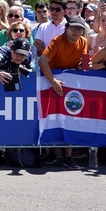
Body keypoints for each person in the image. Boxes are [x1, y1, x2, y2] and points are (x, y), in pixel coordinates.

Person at [38, 15, 90, 169]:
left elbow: (84, 65)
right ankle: (52, 154)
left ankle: (68, 157)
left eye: (79, 29)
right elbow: (42, 61)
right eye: (73, 27)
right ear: (67, 28)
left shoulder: (84, 42)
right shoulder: (57, 41)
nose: (76, 31)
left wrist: (83, 66)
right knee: (52, 118)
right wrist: (53, 81)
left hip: (70, 84)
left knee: (70, 118)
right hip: (51, 81)